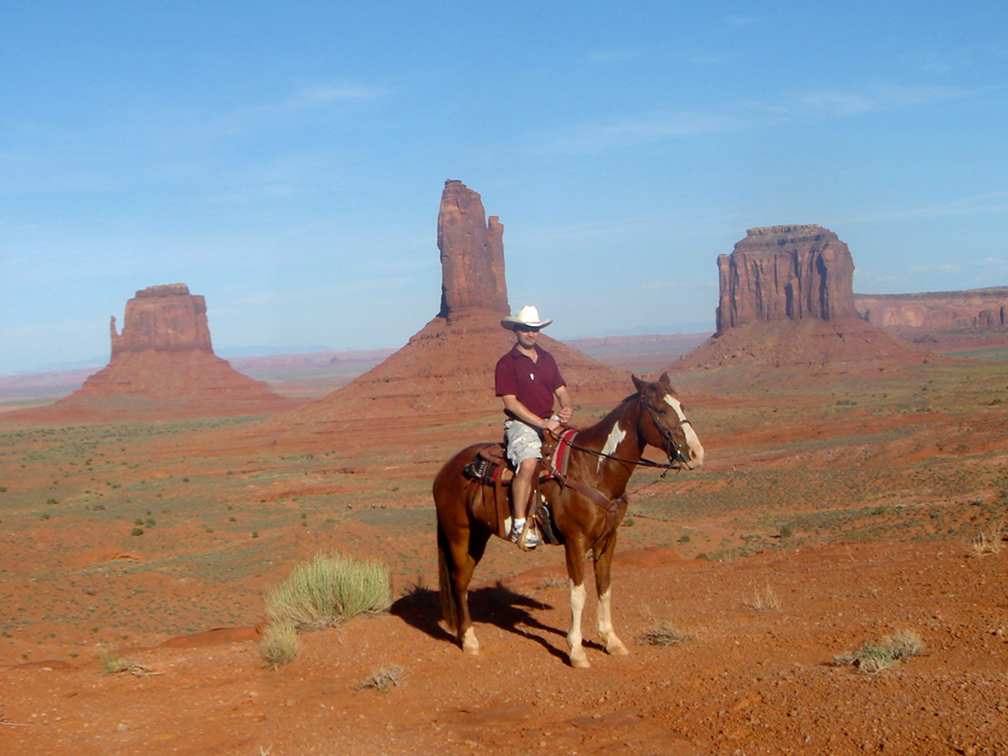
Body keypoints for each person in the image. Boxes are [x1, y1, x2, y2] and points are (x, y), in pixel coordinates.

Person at [494, 304, 574, 549]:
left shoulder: (548, 359)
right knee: (528, 463)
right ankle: (520, 524)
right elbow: (510, 401)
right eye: (526, 329)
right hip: (522, 425)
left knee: (579, 450)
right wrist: (541, 423)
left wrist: (567, 407)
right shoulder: (507, 363)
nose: (531, 333)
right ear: (516, 330)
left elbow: (561, 390)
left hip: (550, 421)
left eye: (535, 329)